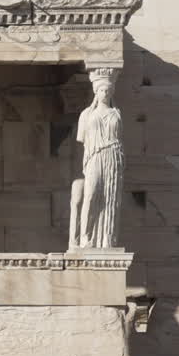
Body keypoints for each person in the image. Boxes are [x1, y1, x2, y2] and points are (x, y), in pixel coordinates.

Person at [71, 69, 124, 249]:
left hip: (113, 156)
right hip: (94, 157)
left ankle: (106, 240)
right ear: (96, 91)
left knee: (109, 197)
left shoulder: (116, 114)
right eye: (102, 90)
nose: (106, 93)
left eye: (109, 90)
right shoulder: (87, 114)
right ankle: (86, 237)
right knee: (91, 194)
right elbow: (81, 138)